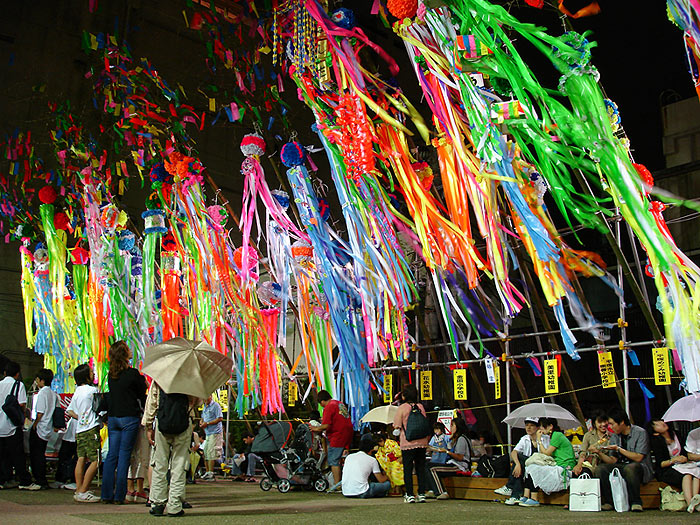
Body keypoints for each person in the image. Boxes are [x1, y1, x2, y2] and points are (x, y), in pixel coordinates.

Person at [142, 383, 199, 517]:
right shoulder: (191, 376)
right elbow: (197, 401)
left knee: (159, 464)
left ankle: (157, 503)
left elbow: (152, 402)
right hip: (184, 424)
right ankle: (175, 505)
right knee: (179, 465)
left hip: (163, 423)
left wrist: (149, 425)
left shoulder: (161, 376)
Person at [101, 341, 147, 504]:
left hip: (113, 418)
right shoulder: (133, 374)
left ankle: (106, 494)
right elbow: (142, 394)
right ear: (124, 354)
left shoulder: (111, 375)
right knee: (124, 456)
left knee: (112, 456)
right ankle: (120, 495)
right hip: (129, 417)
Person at [594, 408, 653, 512]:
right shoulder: (615, 436)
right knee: (601, 469)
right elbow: (613, 460)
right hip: (622, 465)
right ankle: (610, 502)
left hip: (640, 467)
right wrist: (599, 452)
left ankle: (636, 502)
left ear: (621, 422)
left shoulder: (640, 433)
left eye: (612, 424)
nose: (610, 427)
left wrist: (619, 449)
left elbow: (639, 457)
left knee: (630, 468)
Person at [647, 418, 700, 512]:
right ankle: (689, 504)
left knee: (696, 474)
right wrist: (673, 460)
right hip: (668, 469)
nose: (661, 423)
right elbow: (661, 463)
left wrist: (684, 458)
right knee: (687, 476)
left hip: (683, 465)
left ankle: (695, 501)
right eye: (657, 424)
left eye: (661, 421)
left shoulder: (677, 434)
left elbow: (685, 452)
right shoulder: (657, 441)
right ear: (655, 432)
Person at [66, 363, 102, 503]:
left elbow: (70, 410)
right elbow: (100, 407)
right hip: (91, 428)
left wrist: (80, 417)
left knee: (81, 458)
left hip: (79, 429)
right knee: (95, 460)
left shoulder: (77, 392)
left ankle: (79, 488)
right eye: (91, 372)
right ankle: (83, 490)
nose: (93, 374)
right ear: (86, 376)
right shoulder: (92, 391)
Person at [495, 417, 550, 505]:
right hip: (527, 465)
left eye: (532, 426)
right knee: (518, 461)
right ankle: (514, 496)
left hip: (540, 464)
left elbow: (546, 455)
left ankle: (511, 490)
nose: (528, 428)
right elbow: (514, 452)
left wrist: (539, 440)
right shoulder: (525, 438)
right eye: (527, 425)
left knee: (520, 458)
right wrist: (517, 464)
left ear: (537, 427)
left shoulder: (545, 438)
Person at [522, 417, 576, 506]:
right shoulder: (554, 436)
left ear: (550, 426)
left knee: (533, 468)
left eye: (542, 427)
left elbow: (546, 453)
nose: (540, 429)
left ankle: (534, 498)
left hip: (565, 467)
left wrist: (539, 440)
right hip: (558, 465)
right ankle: (526, 496)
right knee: (531, 466)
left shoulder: (557, 435)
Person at [393, 385, 430, 503]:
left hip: (407, 442)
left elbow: (397, 425)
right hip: (422, 442)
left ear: (404, 396)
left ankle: (409, 494)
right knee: (420, 468)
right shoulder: (420, 407)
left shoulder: (402, 408)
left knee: (408, 469)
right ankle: (421, 493)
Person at [0, 360, 33, 490]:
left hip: (0, 425)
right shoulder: (18, 385)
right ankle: (24, 480)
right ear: (17, 374)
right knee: (18, 454)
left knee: (2, 454)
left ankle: (4, 479)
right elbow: (22, 405)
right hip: (12, 425)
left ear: (4, 372)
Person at [311, 390, 354, 486]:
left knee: (333, 460)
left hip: (338, 435)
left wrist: (316, 428)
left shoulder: (329, 406)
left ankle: (337, 484)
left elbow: (326, 425)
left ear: (322, 401)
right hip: (348, 434)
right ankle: (345, 482)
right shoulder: (339, 404)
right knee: (344, 459)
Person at [428, 417, 472, 500]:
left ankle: (441, 492)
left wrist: (447, 452)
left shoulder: (461, 439)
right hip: (453, 463)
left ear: (458, 427)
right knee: (427, 465)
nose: (450, 428)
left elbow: (460, 457)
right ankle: (431, 490)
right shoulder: (455, 439)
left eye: (452, 425)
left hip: (460, 466)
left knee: (432, 469)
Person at [29, 367, 59, 489]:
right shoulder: (54, 394)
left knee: (36, 455)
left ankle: (39, 479)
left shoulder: (42, 393)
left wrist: (34, 424)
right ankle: (42, 479)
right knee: (41, 454)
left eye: (37, 379)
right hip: (48, 428)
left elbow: (40, 412)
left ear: (42, 380)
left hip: (40, 427)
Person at [341, 434, 390, 498]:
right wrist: (389, 475)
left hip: (346, 492)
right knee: (387, 484)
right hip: (362, 491)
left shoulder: (349, 457)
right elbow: (381, 480)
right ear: (371, 450)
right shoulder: (372, 460)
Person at [573, 411, 609, 477]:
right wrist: (579, 465)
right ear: (594, 423)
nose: (603, 424)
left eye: (605, 421)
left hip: (604, 465)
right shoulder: (588, 435)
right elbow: (583, 452)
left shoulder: (611, 436)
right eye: (600, 422)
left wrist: (598, 452)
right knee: (577, 473)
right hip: (590, 464)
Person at [200, 395, 224, 481]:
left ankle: (211, 472)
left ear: (210, 396)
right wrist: (201, 422)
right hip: (208, 432)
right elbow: (202, 417)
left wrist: (208, 423)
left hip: (215, 432)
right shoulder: (204, 407)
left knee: (211, 451)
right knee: (205, 451)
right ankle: (207, 471)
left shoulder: (216, 405)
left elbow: (220, 418)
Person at [125, 424, 150, 503]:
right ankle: (140, 490)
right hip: (141, 423)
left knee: (130, 455)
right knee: (142, 455)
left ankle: (130, 489)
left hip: (126, 423)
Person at [55, 418, 78, 490]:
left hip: (80, 432)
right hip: (69, 434)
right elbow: (70, 411)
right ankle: (60, 479)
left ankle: (74, 480)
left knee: (76, 459)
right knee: (63, 457)